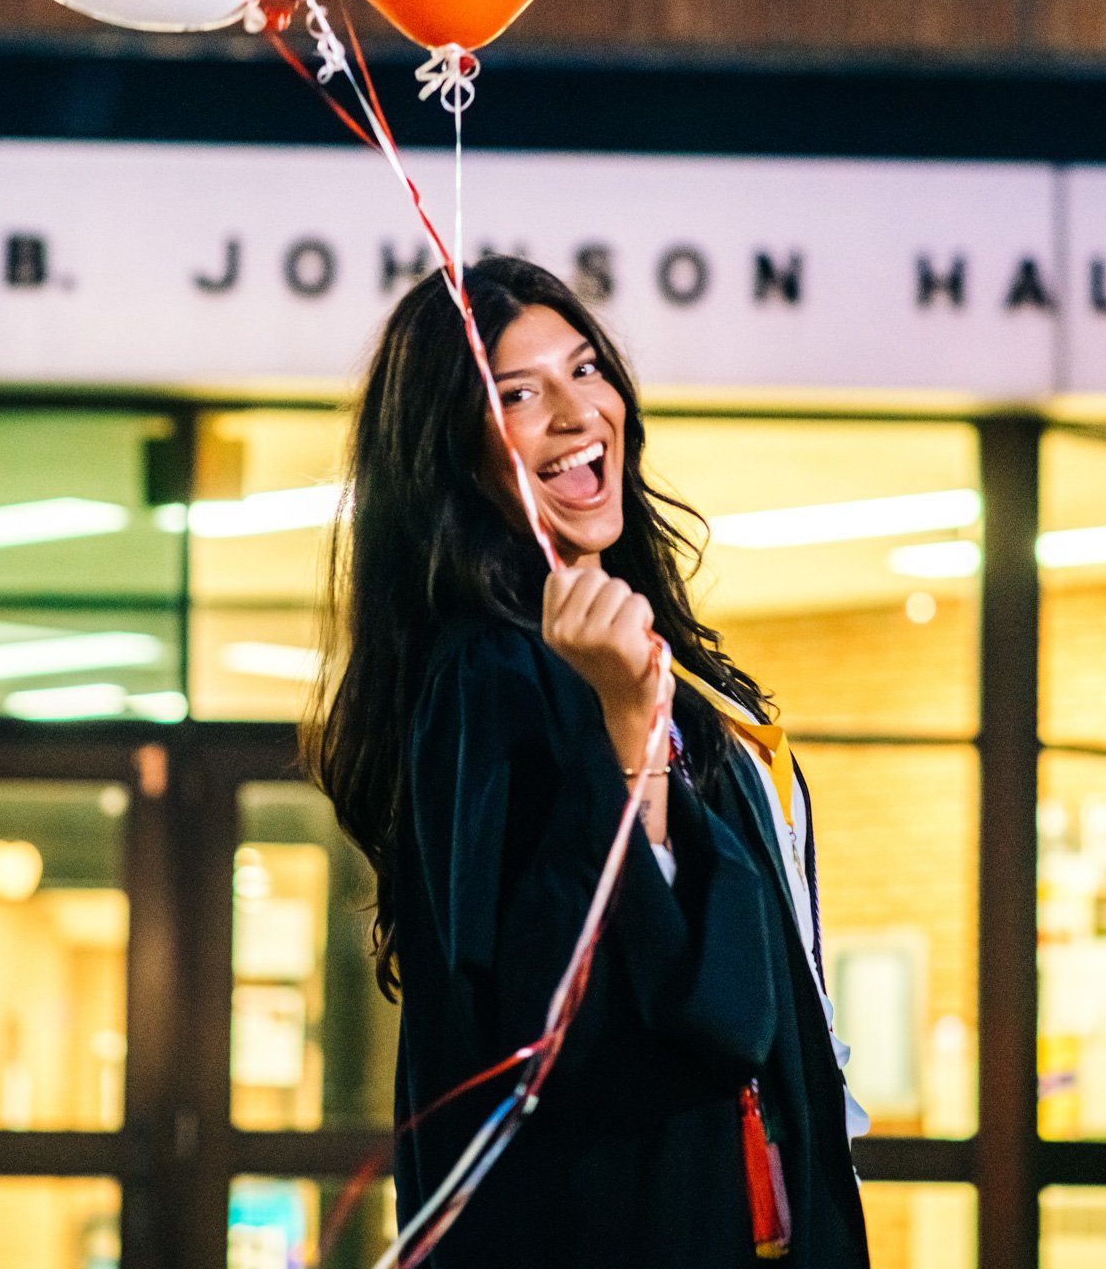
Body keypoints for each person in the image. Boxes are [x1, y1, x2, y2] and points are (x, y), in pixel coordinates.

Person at [313, 256, 871, 1268]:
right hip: (609, 1222)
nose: (576, 413)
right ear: (453, 454)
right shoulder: (488, 672)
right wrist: (624, 729)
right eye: (519, 394)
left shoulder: (643, 649)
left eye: (585, 369)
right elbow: (553, 1006)